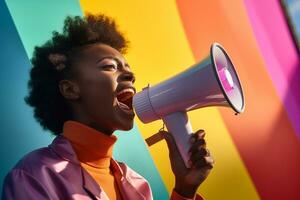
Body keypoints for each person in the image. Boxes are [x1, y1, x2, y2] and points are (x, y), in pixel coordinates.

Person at [2, 14, 214, 200]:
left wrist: (185, 190)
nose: (131, 76)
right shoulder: (34, 176)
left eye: (129, 71)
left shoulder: (137, 184)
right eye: (109, 66)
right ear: (70, 90)